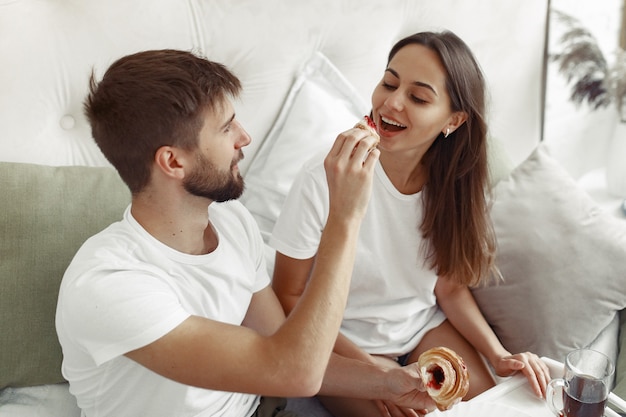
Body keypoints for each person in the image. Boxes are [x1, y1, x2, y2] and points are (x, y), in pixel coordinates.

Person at [54, 49, 437, 417]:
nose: (244, 137)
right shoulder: (110, 284)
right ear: (173, 161)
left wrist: (387, 382)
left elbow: (283, 344)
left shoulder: (232, 222)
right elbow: (294, 371)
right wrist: (345, 217)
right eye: (226, 128)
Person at [270, 31, 552, 417]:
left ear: (453, 120)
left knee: (495, 410)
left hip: (422, 328)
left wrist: (499, 356)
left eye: (418, 98)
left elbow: (448, 290)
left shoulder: (452, 186)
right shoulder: (323, 177)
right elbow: (287, 296)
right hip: (343, 342)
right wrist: (372, 374)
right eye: (389, 82)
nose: (391, 101)